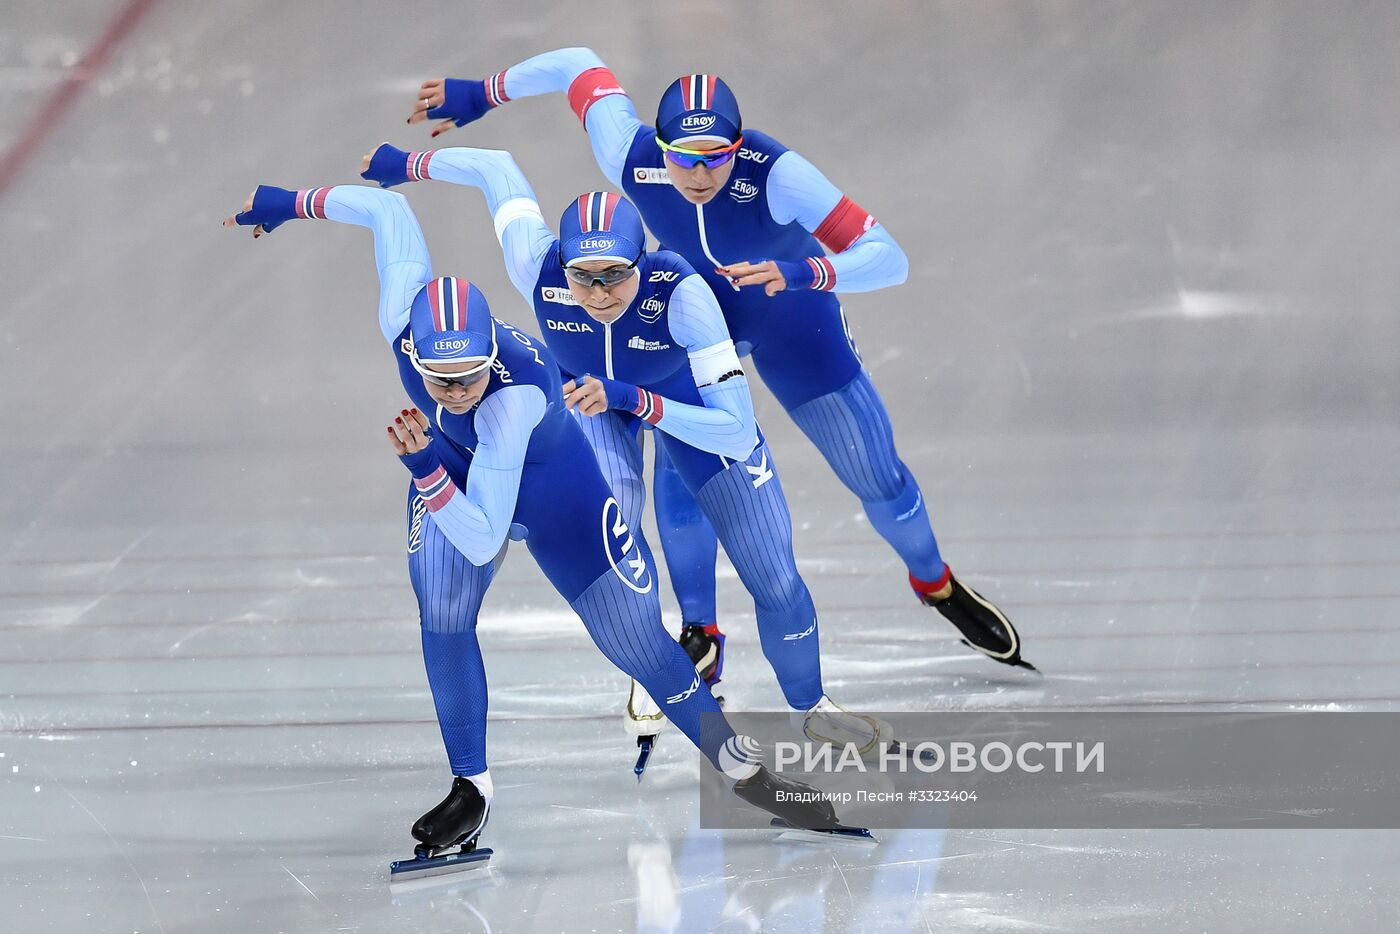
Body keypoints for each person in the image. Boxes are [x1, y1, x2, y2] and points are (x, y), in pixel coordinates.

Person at [221, 181, 847, 870]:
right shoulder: (403, 321)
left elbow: (486, 536)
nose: (457, 390)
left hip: (555, 497)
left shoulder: (510, 400)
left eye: (469, 376)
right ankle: (471, 785)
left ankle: (745, 776)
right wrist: (291, 204)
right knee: (443, 608)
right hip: (463, 472)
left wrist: (427, 465)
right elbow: (385, 210)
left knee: (642, 647)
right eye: (440, 379)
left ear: (491, 353)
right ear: (414, 353)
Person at [405, 49, 1034, 672]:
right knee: (687, 461)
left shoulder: (778, 175)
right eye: (683, 157)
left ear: (739, 147)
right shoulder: (631, 153)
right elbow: (577, 66)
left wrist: (805, 272)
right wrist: (484, 91)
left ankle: (935, 582)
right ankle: (699, 627)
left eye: (717, 158)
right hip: (688, 322)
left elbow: (888, 257)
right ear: (660, 145)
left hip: (791, 315)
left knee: (874, 471)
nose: (699, 174)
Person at [358, 142, 895, 759]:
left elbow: (736, 431)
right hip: (592, 409)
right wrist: (407, 166)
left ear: (643, 261)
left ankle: (812, 706)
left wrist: (637, 398)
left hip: (682, 410)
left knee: (772, 576)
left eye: (616, 274)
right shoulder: (537, 264)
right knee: (615, 539)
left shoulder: (682, 293)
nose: (600, 292)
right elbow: (496, 168)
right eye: (583, 276)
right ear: (561, 265)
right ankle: (655, 659)